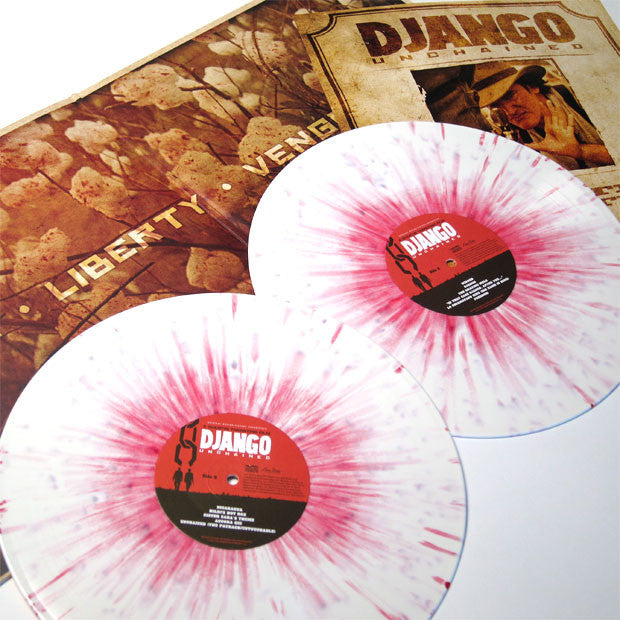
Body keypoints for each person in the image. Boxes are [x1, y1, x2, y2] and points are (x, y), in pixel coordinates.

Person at [472, 62, 613, 170]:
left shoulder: (580, 97)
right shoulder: (511, 133)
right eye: (495, 106)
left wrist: (581, 151)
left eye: (510, 95)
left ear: (532, 87)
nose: (510, 111)